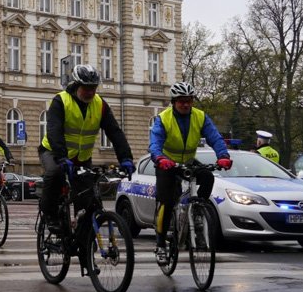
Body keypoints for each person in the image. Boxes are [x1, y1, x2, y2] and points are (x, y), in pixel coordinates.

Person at [38, 64, 134, 229]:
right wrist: (62, 157)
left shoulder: (100, 104)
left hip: (81, 158)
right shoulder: (60, 101)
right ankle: (49, 215)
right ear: (76, 85)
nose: (90, 92)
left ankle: (85, 243)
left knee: (86, 201)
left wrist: (125, 158)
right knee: (54, 174)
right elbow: (54, 131)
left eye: (93, 88)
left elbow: (115, 132)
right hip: (53, 152)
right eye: (86, 88)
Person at [149, 81, 232, 263]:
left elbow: (215, 138)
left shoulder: (200, 117)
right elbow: (155, 144)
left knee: (208, 177)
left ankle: (197, 211)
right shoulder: (163, 119)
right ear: (173, 102)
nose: (186, 104)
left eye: (189, 100)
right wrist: (160, 159)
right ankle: (161, 244)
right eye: (181, 101)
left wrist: (223, 155)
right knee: (166, 203)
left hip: (188, 161)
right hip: (167, 162)